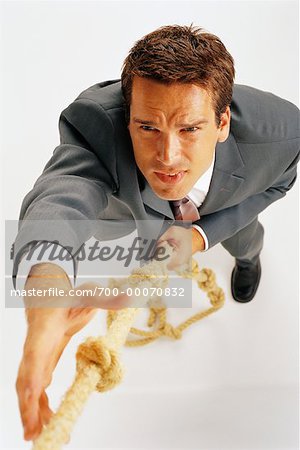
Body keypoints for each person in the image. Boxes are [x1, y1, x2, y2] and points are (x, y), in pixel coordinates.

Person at [12, 24, 299, 441]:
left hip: (224, 208)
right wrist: (45, 302)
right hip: (137, 211)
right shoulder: (97, 124)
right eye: (147, 128)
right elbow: (59, 201)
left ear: (222, 123)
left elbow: (279, 183)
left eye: (189, 129)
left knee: (246, 240)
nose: (167, 157)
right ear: (127, 119)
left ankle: (248, 259)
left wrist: (203, 236)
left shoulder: (283, 133)